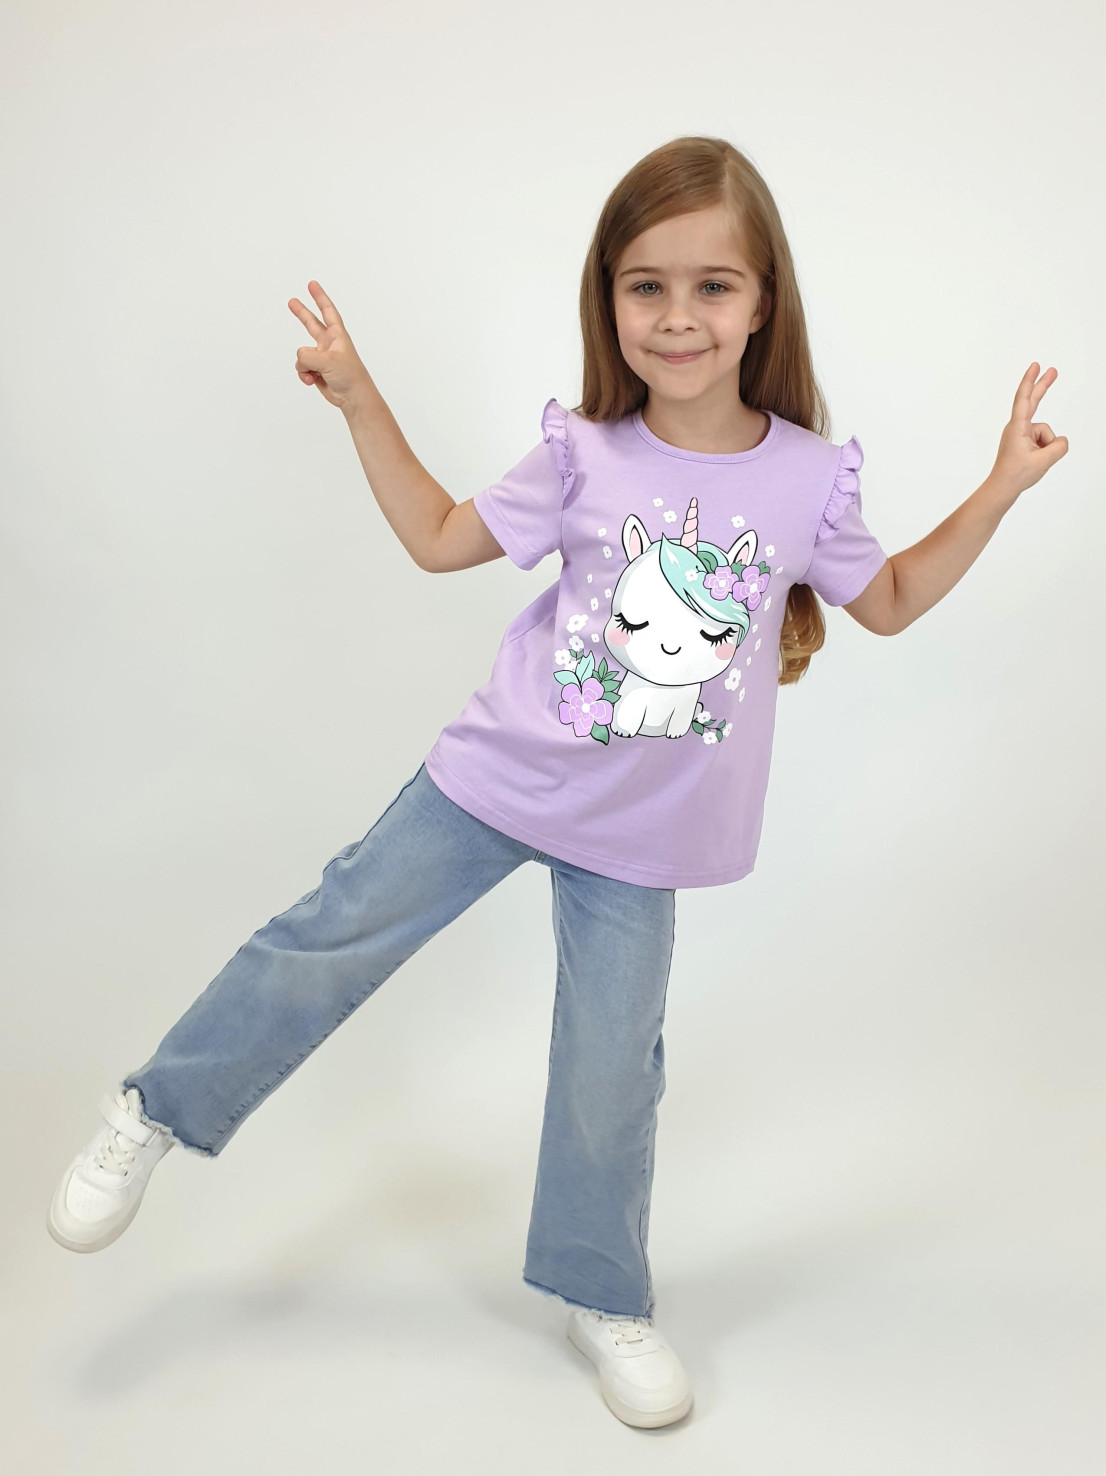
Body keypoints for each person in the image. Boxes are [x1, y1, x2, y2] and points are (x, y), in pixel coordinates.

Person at [46, 134, 1067, 1430]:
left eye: (713, 285)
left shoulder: (807, 479)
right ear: (609, 299)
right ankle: (153, 1109)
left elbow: (896, 599)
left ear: (764, 302)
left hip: (641, 838)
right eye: (647, 286)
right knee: (329, 937)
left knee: (609, 1074)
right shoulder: (584, 455)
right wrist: (360, 397)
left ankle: (600, 1293)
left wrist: (1001, 483)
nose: (679, 316)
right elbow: (437, 540)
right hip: (497, 778)